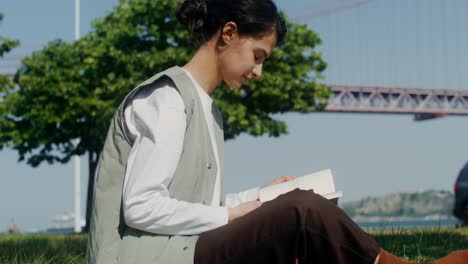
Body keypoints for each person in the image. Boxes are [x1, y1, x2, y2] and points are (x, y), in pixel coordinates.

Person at [85, 0, 468, 263]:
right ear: (229, 33)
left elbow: (195, 204)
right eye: (258, 56)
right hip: (144, 257)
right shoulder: (167, 99)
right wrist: (237, 214)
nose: (258, 72)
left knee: (293, 205)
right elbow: (140, 206)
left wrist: (259, 196)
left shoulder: (207, 109)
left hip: (180, 250)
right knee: (301, 210)